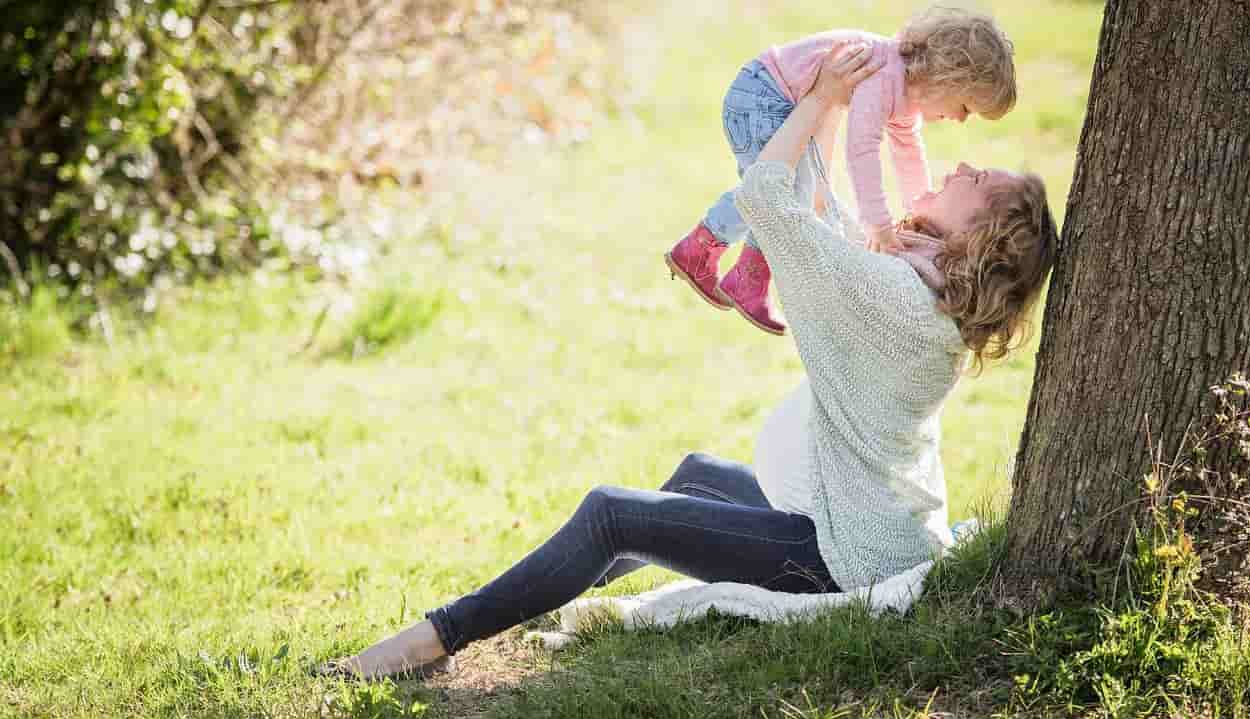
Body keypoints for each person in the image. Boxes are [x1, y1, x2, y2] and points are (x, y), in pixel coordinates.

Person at [327, 41, 1056, 681]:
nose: (962, 164)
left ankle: (437, 637)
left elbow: (769, 199)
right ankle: (527, 597)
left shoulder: (895, 298)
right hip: (868, 522)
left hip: (844, 554)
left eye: (981, 182)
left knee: (614, 513)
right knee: (696, 478)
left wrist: (822, 100)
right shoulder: (923, 290)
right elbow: (826, 219)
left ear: (983, 237)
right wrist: (827, 105)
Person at [665, 6, 1016, 335]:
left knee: (780, 191)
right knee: (777, 190)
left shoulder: (905, 92)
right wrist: (877, 223)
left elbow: (908, 153)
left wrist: (918, 208)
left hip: (773, 98)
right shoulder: (883, 74)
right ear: (948, 78)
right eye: (966, 108)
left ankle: (728, 266)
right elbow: (861, 149)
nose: (958, 119)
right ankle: (725, 264)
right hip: (761, 97)